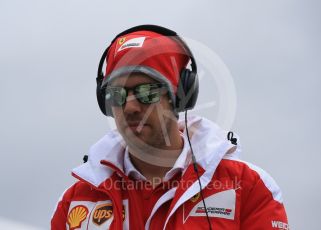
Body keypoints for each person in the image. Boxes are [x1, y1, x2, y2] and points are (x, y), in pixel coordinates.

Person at [51, 25, 289, 230]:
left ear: (180, 98)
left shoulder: (249, 187)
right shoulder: (76, 199)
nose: (130, 106)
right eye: (117, 94)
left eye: (147, 92)